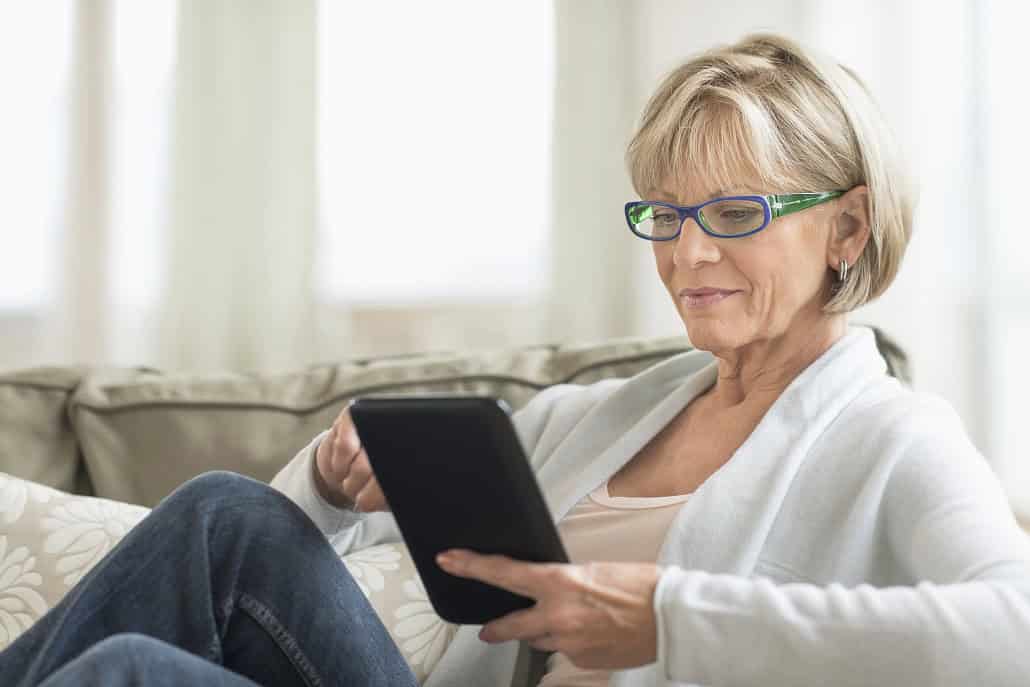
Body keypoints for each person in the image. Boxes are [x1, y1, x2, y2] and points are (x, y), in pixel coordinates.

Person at [4, 31, 1030, 687]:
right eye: (666, 214)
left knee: (131, 672)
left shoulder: (893, 436)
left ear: (847, 228)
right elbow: (334, 556)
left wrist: (670, 618)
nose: (687, 254)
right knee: (227, 515)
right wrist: (334, 479)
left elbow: (1013, 633)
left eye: (733, 214)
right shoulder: (597, 416)